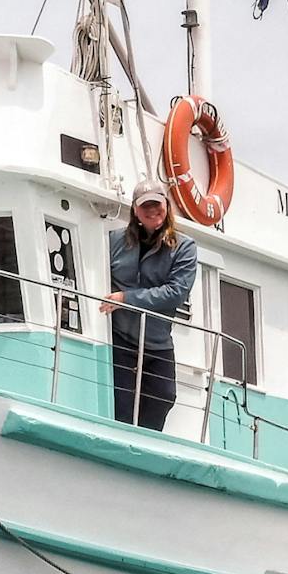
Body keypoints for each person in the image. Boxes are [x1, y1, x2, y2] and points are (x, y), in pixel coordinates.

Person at [101, 178, 197, 431]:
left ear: (166, 205)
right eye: (146, 206)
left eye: (157, 204)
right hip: (121, 338)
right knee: (122, 404)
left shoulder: (184, 247)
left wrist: (126, 298)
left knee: (164, 397)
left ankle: (143, 449)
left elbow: (176, 292)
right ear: (135, 210)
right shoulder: (113, 241)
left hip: (157, 342)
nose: (153, 210)